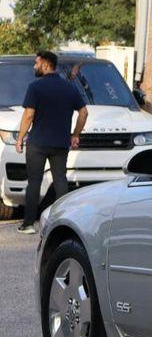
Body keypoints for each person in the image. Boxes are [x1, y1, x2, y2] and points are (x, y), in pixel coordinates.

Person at [14, 51, 88, 234]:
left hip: (37, 143)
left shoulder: (35, 87)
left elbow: (29, 115)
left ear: (45, 65)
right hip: (61, 143)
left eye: (36, 63)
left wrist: (20, 137)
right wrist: (75, 135)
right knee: (60, 180)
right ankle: (64, 223)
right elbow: (84, 112)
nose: (34, 66)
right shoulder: (69, 88)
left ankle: (28, 224)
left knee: (34, 182)